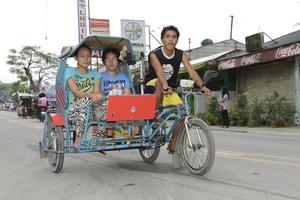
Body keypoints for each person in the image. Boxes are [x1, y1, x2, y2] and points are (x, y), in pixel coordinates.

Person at [144, 25, 211, 153]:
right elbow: (159, 71)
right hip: (153, 88)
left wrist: (202, 86)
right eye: (167, 37)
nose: (171, 40)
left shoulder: (181, 54)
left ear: (177, 40)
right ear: (162, 39)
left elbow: (191, 71)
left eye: (174, 37)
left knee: (183, 113)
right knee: (159, 81)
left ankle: (173, 143)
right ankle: (155, 115)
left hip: (169, 90)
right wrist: (164, 85)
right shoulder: (154, 54)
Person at [65, 44, 102, 149]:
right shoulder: (69, 72)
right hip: (73, 111)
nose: (86, 59)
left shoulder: (96, 74)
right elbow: (76, 92)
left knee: (106, 105)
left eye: (88, 56)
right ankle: (79, 137)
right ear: (76, 58)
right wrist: (91, 96)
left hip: (91, 111)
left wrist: (98, 96)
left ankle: (99, 137)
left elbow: (97, 91)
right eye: (82, 56)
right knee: (85, 99)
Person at [98, 47, 139, 138]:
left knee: (138, 107)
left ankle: (136, 136)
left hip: (122, 106)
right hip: (107, 107)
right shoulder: (100, 77)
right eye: (108, 60)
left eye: (114, 59)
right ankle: (109, 135)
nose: (111, 62)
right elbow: (99, 95)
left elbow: (127, 95)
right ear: (104, 62)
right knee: (108, 107)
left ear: (118, 61)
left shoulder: (124, 77)